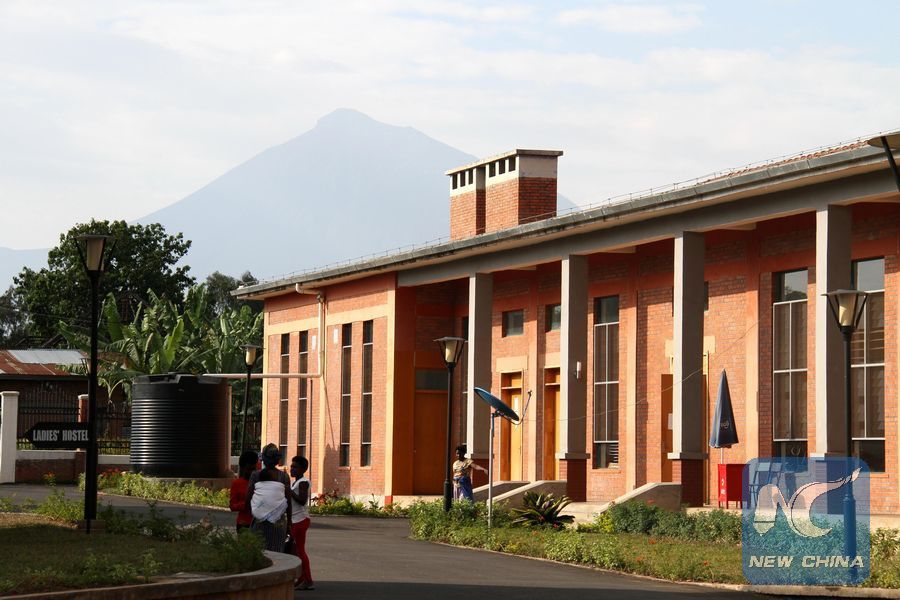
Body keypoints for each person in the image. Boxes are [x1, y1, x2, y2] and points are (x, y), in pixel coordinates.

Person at [247, 444, 292, 552]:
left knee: (258, 552)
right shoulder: (284, 476)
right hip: (278, 523)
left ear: (263, 459)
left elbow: (248, 498)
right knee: (277, 553)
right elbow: (288, 502)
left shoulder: (256, 475)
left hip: (259, 521)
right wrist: (289, 524)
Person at [289, 455, 314, 591]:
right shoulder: (295, 483)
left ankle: (308, 580)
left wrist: (289, 492)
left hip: (300, 519)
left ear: (303, 469)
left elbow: (302, 500)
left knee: (300, 551)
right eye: (291, 466)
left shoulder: (303, 482)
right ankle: (302, 578)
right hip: (295, 519)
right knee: (295, 551)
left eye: (295, 467)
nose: (292, 469)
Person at [229, 450, 258, 532]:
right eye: (249, 469)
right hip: (243, 523)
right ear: (242, 468)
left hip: (259, 523)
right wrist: (246, 504)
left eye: (253, 469)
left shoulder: (260, 482)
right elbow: (232, 506)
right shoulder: (237, 483)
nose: (252, 472)